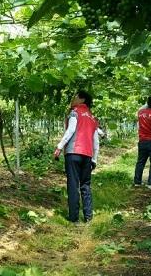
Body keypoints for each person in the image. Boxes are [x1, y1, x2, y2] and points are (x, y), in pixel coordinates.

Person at [53, 90, 100, 224]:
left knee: (73, 184)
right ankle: (88, 216)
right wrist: (94, 158)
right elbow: (95, 141)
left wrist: (59, 147)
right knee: (85, 185)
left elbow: (71, 130)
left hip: (73, 153)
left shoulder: (75, 112)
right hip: (87, 155)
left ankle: (74, 218)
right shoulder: (92, 118)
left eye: (75, 97)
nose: (73, 99)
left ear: (82, 99)